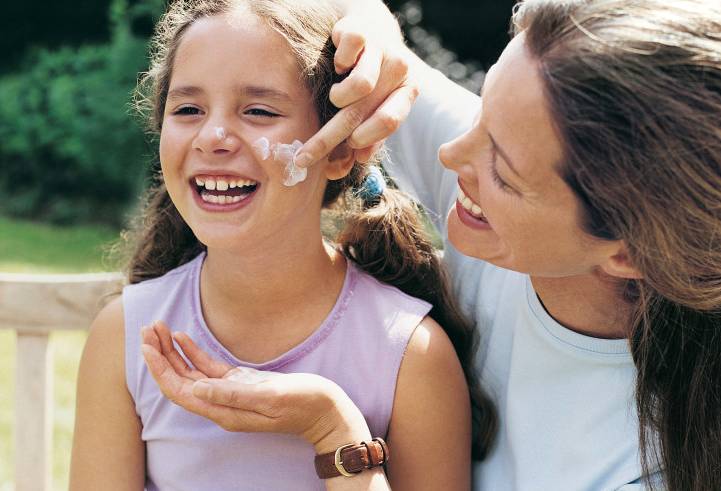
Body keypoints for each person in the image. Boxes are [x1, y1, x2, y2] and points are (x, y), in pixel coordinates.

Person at [144, 0, 721, 490]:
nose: (450, 156)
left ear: (627, 254)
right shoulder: (524, 142)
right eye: (481, 110)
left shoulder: (643, 465)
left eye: (502, 170)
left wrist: (337, 435)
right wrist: (372, 27)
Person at [68, 0, 497, 489]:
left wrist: (335, 431)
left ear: (340, 150)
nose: (213, 136)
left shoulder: (411, 356)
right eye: (188, 109)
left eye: (258, 110)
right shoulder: (125, 337)